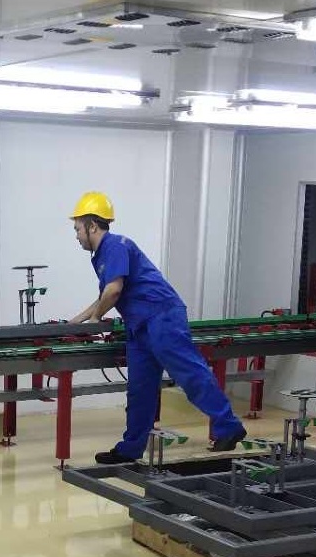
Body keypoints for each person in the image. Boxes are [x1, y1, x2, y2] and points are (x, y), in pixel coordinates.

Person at [68, 192, 247, 461]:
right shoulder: (104, 254)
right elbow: (106, 294)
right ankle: (131, 448)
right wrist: (77, 321)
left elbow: (113, 291)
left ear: (92, 225)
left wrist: (95, 320)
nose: (77, 236)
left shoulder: (115, 245)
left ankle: (229, 426)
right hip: (139, 326)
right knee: (140, 390)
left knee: (189, 373)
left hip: (161, 317)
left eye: (77, 229)